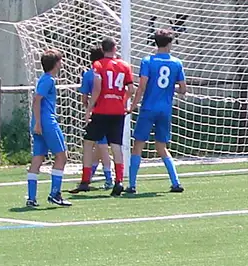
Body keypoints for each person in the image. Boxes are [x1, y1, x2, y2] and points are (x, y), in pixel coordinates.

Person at [126, 29, 187, 194]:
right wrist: (168, 87)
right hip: (165, 110)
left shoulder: (147, 61)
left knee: (138, 145)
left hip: (148, 108)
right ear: (169, 43)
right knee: (162, 146)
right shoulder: (176, 63)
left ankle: (132, 185)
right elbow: (182, 89)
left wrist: (132, 106)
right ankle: (175, 182)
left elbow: (142, 86)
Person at [73, 37, 134, 196]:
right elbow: (131, 89)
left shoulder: (98, 65)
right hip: (118, 111)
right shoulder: (125, 66)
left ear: (102, 48)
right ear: (115, 48)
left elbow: (98, 86)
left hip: (102, 110)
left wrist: (90, 108)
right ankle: (119, 181)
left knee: (88, 143)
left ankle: (85, 180)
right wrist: (123, 101)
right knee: (116, 146)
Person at [26, 49, 71, 207]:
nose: (61, 64)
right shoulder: (48, 80)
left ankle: (31, 198)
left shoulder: (44, 78)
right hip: (47, 122)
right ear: (55, 64)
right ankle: (55, 194)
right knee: (62, 155)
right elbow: (37, 100)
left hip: (40, 122)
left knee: (38, 158)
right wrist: (39, 122)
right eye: (60, 61)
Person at [78, 46, 113, 190]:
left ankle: (109, 178)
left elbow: (84, 98)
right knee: (101, 146)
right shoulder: (109, 71)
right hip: (112, 111)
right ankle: (92, 174)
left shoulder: (88, 74)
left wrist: (88, 107)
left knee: (100, 146)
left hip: (98, 113)